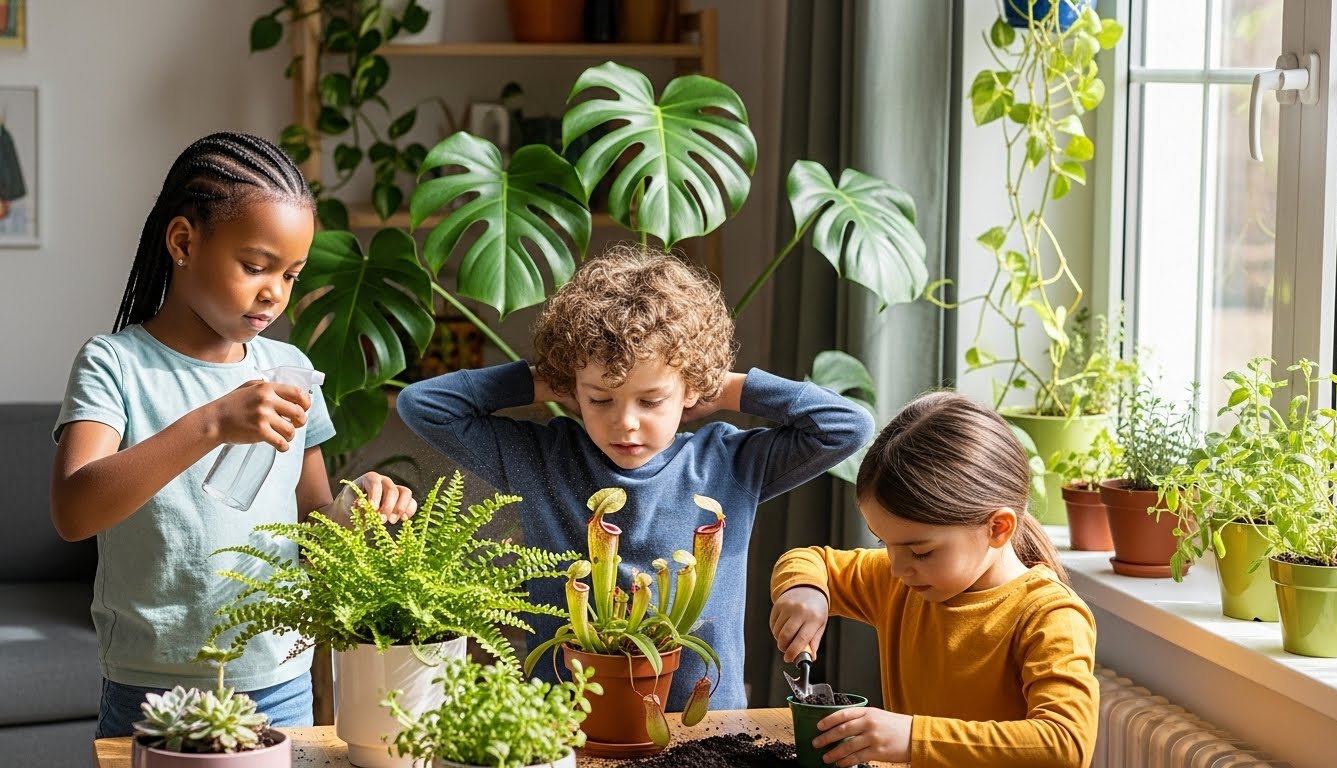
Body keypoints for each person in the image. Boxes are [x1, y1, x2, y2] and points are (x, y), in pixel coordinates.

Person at [397, 243, 876, 711]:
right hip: (567, 724)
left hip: (707, 726)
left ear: (689, 390)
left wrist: (722, 386)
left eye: (650, 401)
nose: (625, 422)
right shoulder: (539, 458)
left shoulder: (730, 462)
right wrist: (549, 378)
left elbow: (847, 427)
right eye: (600, 399)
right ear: (572, 393)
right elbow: (423, 406)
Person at [50, 132, 419, 738]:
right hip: (151, 684)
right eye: (255, 266)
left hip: (279, 681)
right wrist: (213, 423)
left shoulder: (289, 371)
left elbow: (313, 525)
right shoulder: (114, 364)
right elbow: (73, 510)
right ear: (184, 242)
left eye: (292, 275)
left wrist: (362, 511)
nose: (274, 291)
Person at [769, 391, 1099, 768]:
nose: (896, 567)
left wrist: (912, 738)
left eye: (920, 551)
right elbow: (811, 560)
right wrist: (806, 589)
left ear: (998, 527)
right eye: (885, 544)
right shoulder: (901, 582)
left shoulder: (1049, 616)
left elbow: (1065, 744)